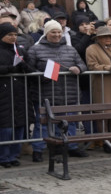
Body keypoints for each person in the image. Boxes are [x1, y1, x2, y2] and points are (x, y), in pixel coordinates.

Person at [27, 20, 88, 160]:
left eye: (59, 32)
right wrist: (43, 77)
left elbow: (82, 64)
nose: (57, 35)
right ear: (46, 33)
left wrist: (78, 68)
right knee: (41, 123)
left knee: (70, 122)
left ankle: (70, 146)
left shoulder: (70, 49)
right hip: (45, 94)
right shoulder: (35, 50)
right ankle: (38, 150)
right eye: (53, 32)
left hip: (69, 93)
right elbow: (29, 71)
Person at [0, 23, 31, 167]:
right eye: (9, 35)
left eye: (15, 35)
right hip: (4, 91)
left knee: (20, 125)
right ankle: (3, 156)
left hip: (19, 91)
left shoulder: (19, 50)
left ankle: (14, 154)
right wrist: (9, 69)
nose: (13, 38)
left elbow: (31, 67)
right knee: (6, 126)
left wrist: (25, 66)